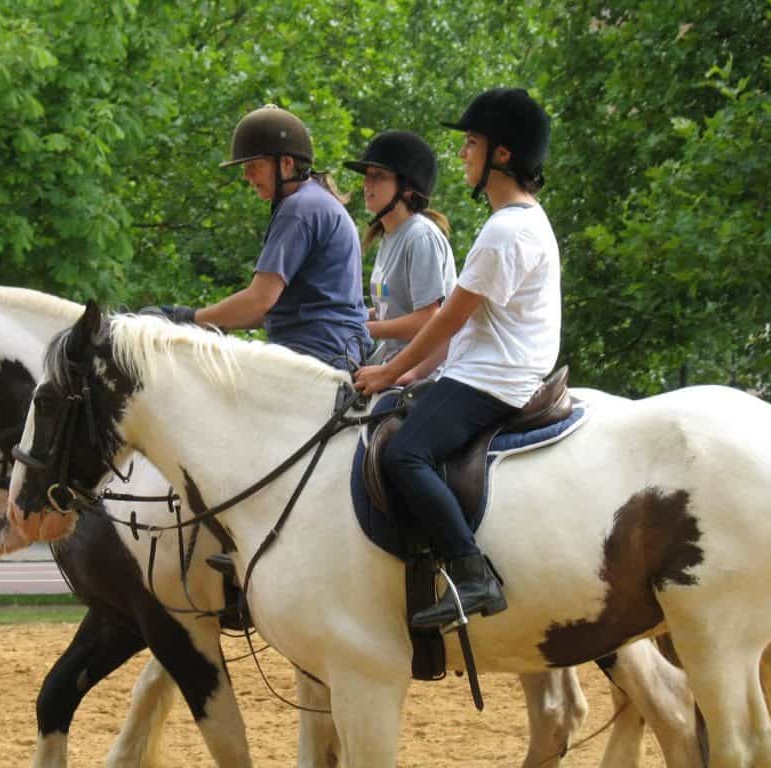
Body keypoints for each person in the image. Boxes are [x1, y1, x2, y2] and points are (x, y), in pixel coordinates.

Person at [353, 88, 559, 629]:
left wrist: (389, 371)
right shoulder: (522, 221)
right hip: (489, 370)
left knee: (404, 456)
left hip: (492, 380)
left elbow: (446, 319)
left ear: (503, 155)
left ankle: (472, 573)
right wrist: (413, 374)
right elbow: (456, 329)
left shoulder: (506, 230)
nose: (462, 154)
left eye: (471, 143)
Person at [154, 104, 371, 370]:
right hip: (330, 347)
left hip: (317, 353)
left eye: (254, 166)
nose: (247, 176)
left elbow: (259, 301)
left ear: (287, 164)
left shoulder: (299, 209)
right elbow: (268, 309)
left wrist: (188, 318)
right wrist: (204, 321)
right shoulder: (313, 200)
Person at [342, 131, 456, 370]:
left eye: (378, 176)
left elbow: (427, 319)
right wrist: (349, 318)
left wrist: (362, 328)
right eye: (367, 176)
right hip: (393, 362)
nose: (367, 184)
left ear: (407, 188)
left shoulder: (420, 236)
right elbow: (391, 311)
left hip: (426, 372)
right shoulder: (391, 235)